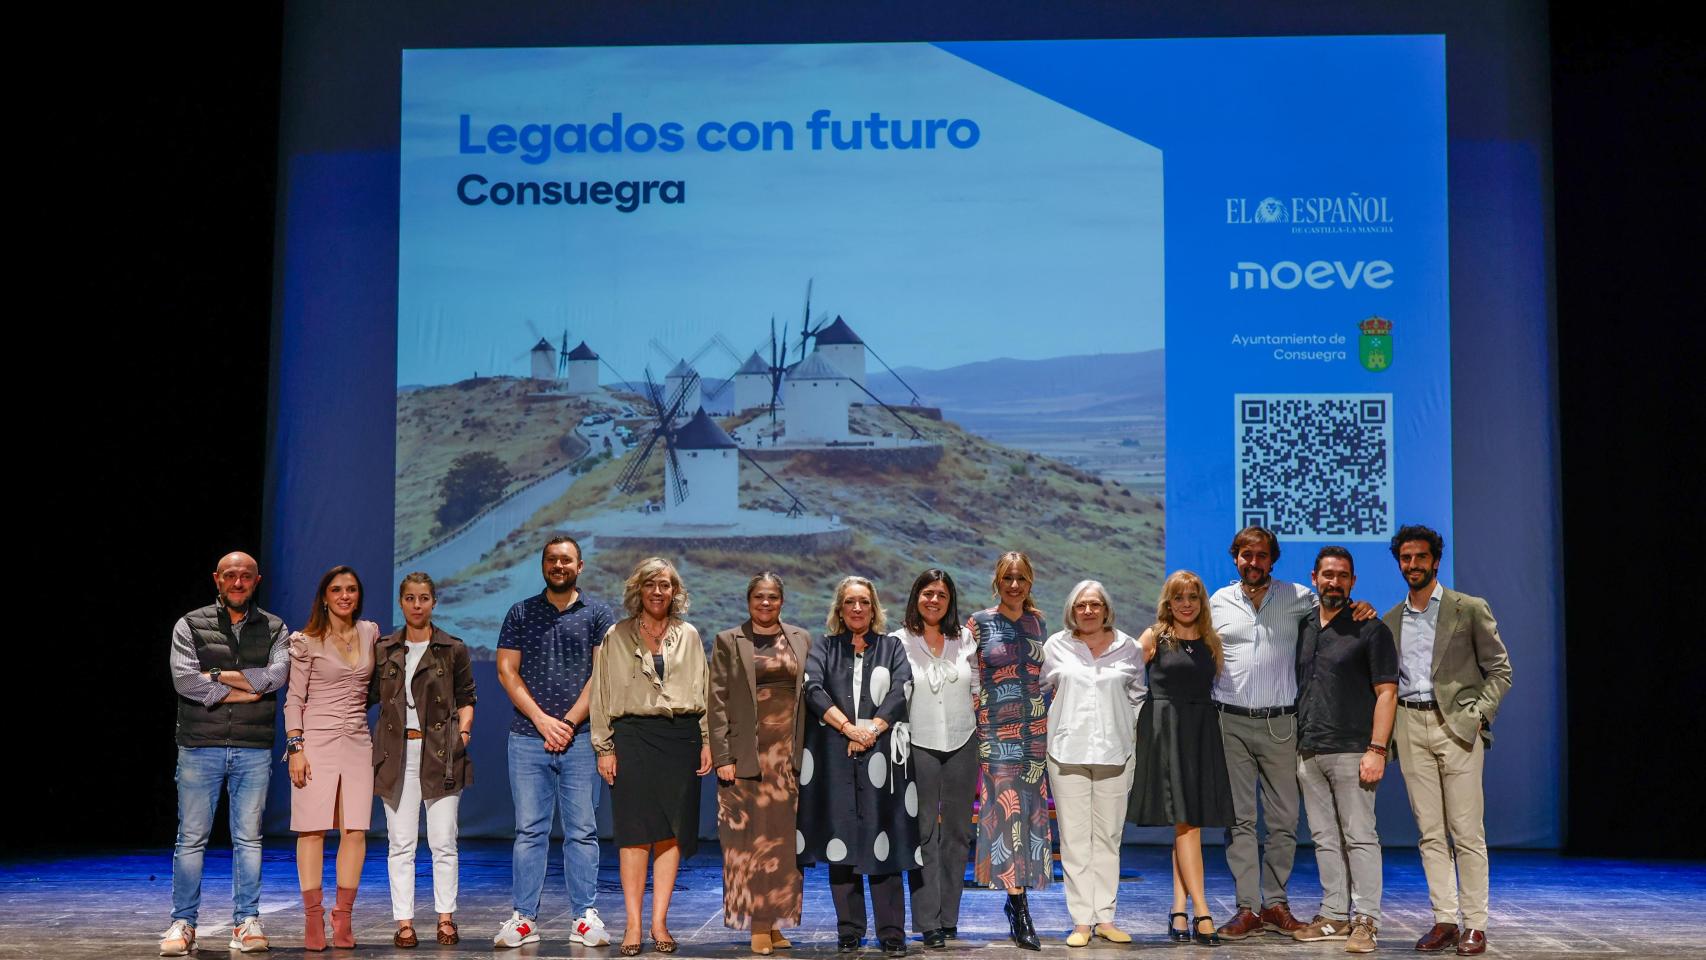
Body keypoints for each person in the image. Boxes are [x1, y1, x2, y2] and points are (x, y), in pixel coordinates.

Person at [1208, 526, 1374, 941]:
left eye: (1262, 555)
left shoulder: (1299, 597)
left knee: (1283, 819)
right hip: (1230, 722)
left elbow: (1336, 606)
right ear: (1235, 558)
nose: (1254, 562)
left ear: (1273, 559)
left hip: (1281, 723)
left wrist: (1363, 606)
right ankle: (1247, 907)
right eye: (1246, 555)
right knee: (1240, 820)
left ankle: (1275, 903)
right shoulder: (1218, 601)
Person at [1381, 525, 1513, 957]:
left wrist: (1478, 716)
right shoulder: (1391, 619)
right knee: (1430, 832)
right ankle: (1444, 920)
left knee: (1467, 831)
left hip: (1456, 726)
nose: (1413, 564)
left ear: (1435, 561)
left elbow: (1500, 669)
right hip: (1409, 724)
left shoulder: (1467, 608)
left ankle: (1475, 924)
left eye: (1421, 557)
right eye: (1406, 558)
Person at [161, 551, 290, 957]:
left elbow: (276, 676)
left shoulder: (274, 627)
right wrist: (241, 691)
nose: (238, 583)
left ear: (257, 581)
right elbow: (186, 681)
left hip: (252, 748)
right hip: (200, 745)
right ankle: (183, 922)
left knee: (249, 839)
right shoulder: (189, 624)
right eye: (230, 576)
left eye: (246, 576)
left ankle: (246, 921)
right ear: (217, 579)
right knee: (191, 839)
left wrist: (215, 676)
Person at [493, 536, 617, 949]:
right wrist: (543, 721)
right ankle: (524, 918)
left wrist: (566, 722)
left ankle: (584, 917)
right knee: (529, 831)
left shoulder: (598, 613)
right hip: (528, 737)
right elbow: (507, 671)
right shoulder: (521, 612)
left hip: (580, 738)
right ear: (543, 565)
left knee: (582, 831)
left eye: (566, 560)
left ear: (579, 566)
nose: (558, 565)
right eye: (551, 559)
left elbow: (602, 675)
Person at [589, 557, 713, 956]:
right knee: (634, 833)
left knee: (671, 832)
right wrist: (604, 747)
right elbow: (601, 694)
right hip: (632, 738)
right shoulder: (616, 635)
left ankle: (660, 921)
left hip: (680, 739)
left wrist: (707, 740)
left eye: (665, 585)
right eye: (650, 584)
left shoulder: (689, 635)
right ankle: (633, 923)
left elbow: (704, 690)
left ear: (675, 591)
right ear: (638, 590)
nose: (658, 592)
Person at [798, 576, 920, 958]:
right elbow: (812, 688)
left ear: (873, 607)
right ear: (839, 608)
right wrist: (849, 729)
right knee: (842, 841)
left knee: (885, 841)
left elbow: (902, 689)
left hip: (881, 754)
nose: (856, 608)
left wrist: (870, 732)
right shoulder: (825, 647)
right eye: (849, 601)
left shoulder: (891, 647)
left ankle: (891, 932)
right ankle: (849, 929)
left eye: (864, 602)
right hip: (835, 754)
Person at [1291, 547, 1399, 954]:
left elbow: (1387, 692)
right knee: (1324, 837)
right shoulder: (1303, 626)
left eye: (1342, 576)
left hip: (1354, 750)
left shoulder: (1370, 628)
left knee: (1360, 837)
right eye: (1328, 575)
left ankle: (1366, 920)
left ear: (1352, 582)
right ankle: (1334, 914)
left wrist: (1377, 749)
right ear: (1314, 578)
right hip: (1309, 749)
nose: (1334, 582)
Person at [1127, 572, 1235, 946]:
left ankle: (1178, 909)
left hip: (1200, 732)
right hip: (1166, 731)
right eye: (1178, 597)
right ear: (1168, 602)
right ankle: (1202, 909)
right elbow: (1125, 678)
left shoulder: (1210, 640)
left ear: (1201, 602)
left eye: (1192, 597)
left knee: (1185, 823)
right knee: (1187, 824)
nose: (1186, 604)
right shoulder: (1154, 637)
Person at [370, 572, 477, 947]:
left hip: (441, 754)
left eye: (424, 598)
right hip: (396, 754)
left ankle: (446, 918)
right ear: (401, 602)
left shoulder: (452, 648)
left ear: (434, 602)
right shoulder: (385, 649)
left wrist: (462, 735)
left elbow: (467, 697)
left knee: (444, 841)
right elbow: (365, 694)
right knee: (400, 843)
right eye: (410, 598)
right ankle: (404, 922)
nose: (417, 605)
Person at [709, 573, 813, 956]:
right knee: (748, 842)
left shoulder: (801, 638)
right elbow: (716, 701)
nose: (765, 603)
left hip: (787, 757)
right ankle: (757, 923)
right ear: (748, 600)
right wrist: (723, 757)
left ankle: (775, 922)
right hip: (746, 756)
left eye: (772, 597)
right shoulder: (728, 640)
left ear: (781, 601)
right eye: (758, 597)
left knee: (783, 844)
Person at [1043, 580, 1145, 948]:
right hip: (1066, 752)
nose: (1088, 611)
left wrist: (1126, 732)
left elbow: (1138, 697)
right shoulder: (1056, 646)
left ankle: (1105, 918)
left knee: (1108, 839)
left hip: (1115, 754)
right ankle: (1081, 921)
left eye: (1095, 604)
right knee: (1074, 841)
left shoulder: (1129, 647)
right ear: (1072, 610)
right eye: (1081, 605)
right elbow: (1040, 692)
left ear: (1106, 609)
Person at [285, 565, 380, 950]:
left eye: (351, 589)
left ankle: (343, 915)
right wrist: (296, 749)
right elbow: (294, 699)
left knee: (354, 830)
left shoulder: (370, 632)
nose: (345, 596)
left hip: (357, 741)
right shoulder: (306, 641)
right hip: (316, 741)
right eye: (337, 590)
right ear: (324, 597)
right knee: (312, 830)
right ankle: (313, 918)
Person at [969, 551, 1051, 951]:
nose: (1014, 585)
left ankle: (1017, 899)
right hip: (996, 729)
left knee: (1030, 816)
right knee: (1006, 814)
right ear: (997, 582)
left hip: (1034, 731)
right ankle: (1020, 909)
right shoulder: (979, 623)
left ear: (1030, 581)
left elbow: (1044, 676)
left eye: (1020, 578)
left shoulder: (1039, 623)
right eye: (1007, 578)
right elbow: (970, 675)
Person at [896, 570, 977, 949]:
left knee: (958, 833)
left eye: (941, 595)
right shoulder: (900, 641)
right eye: (928, 593)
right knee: (924, 831)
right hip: (920, 743)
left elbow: (977, 686)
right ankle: (927, 920)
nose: (934, 600)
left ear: (950, 601)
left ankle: (949, 918)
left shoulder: (964, 639)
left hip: (963, 740)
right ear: (917, 597)